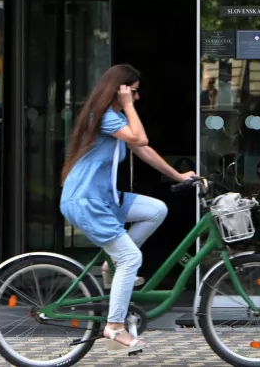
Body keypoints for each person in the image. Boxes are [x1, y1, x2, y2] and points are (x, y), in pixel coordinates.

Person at [58, 63, 194, 353]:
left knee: (156, 209)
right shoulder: (104, 117)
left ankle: (113, 261)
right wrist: (129, 105)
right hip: (87, 201)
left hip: (107, 199)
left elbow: (144, 150)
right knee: (131, 258)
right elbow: (140, 138)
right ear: (119, 90)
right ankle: (115, 327)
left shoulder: (115, 119)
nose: (137, 97)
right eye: (134, 91)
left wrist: (179, 176)